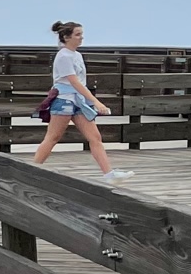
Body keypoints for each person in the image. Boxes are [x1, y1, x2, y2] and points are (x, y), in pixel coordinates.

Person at [32, 21, 133, 182]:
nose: (81, 38)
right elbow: (74, 82)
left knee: (95, 137)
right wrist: (96, 102)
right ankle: (32, 170)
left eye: (81, 34)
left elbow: (80, 82)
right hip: (63, 101)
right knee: (53, 137)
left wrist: (88, 102)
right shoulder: (63, 56)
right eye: (77, 34)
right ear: (66, 37)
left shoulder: (76, 55)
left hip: (78, 102)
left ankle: (109, 174)